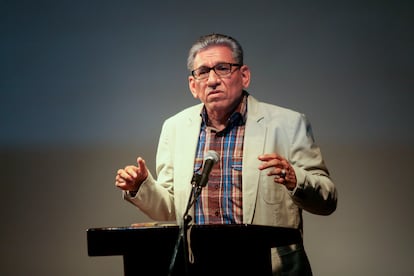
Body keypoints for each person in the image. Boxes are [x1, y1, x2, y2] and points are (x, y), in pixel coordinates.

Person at [115, 33, 337, 275]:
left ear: (244, 76)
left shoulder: (288, 124)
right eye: (203, 72)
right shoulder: (175, 127)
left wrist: (296, 180)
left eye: (222, 68)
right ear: (193, 85)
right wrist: (141, 187)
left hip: (269, 268)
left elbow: (328, 200)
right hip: (197, 268)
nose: (212, 80)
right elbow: (174, 209)